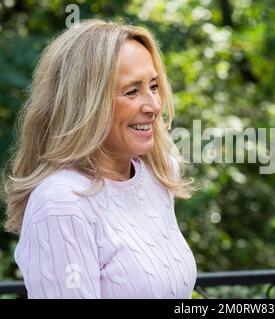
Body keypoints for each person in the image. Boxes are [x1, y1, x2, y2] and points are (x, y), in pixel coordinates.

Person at [2, 19, 196, 298]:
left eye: (153, 86)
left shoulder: (156, 174)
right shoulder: (61, 202)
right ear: (85, 104)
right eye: (132, 91)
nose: (154, 105)